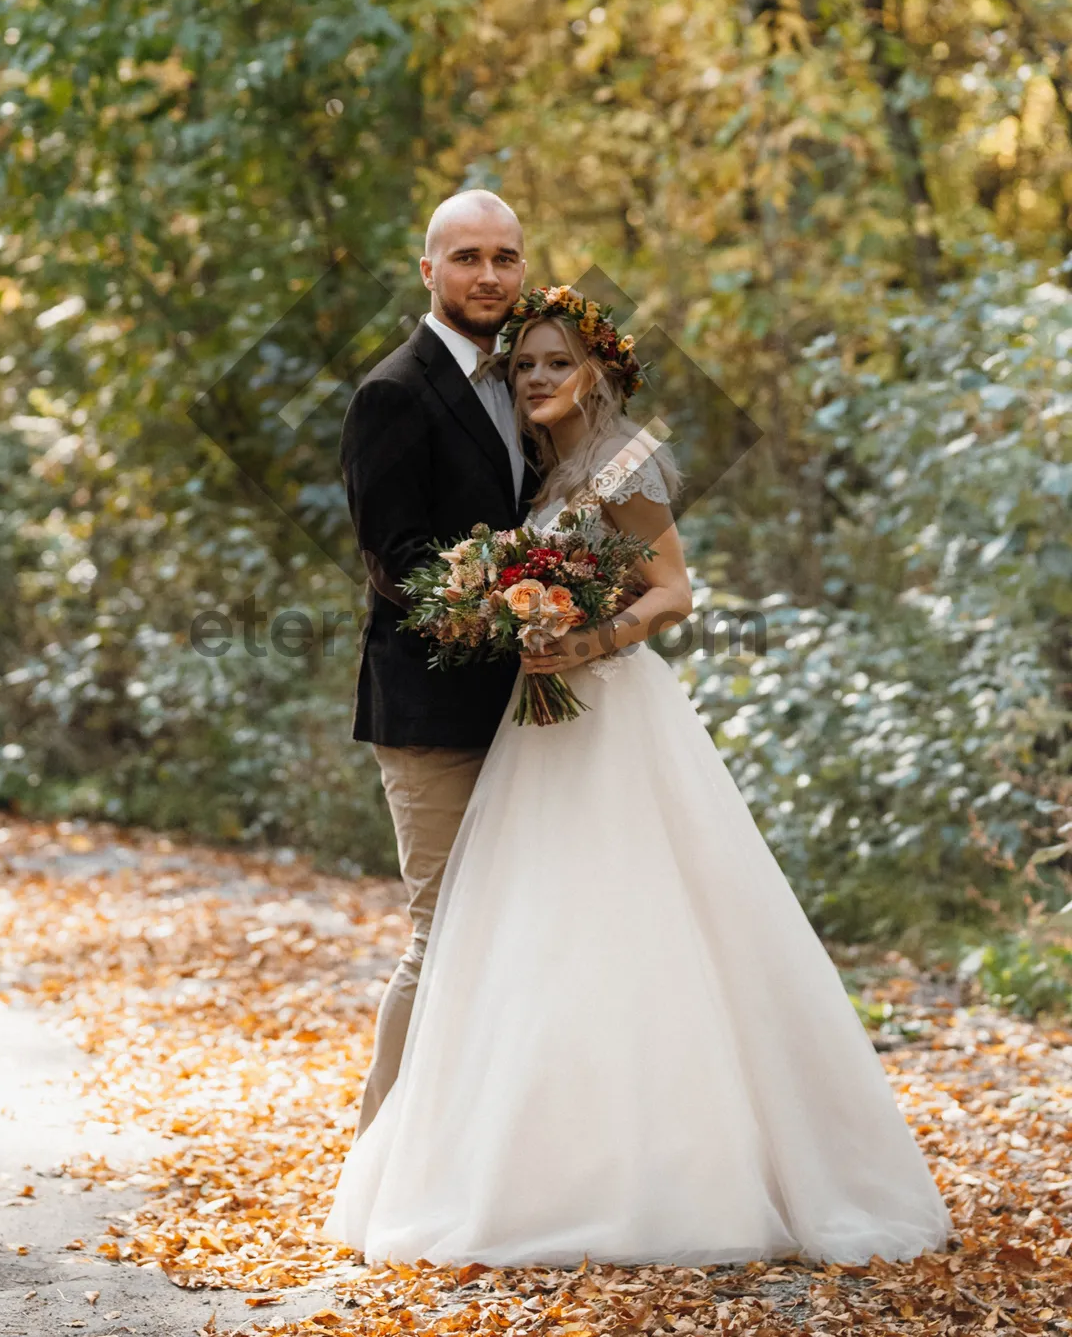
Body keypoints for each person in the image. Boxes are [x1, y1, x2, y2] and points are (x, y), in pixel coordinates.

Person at [324, 285, 954, 1267]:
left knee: (640, 922)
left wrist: (589, 641)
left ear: (598, 370)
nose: (536, 376)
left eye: (555, 362)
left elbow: (673, 589)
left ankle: (671, 1168)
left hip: (616, 709)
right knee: (543, 933)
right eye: (524, 363)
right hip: (542, 728)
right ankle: (543, 1160)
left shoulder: (627, 460)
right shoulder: (544, 464)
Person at [338, 190, 540, 1136]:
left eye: (505, 257)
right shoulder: (393, 393)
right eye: (468, 258)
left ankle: (490, 1152)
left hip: (535, 708)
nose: (488, 275)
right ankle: (380, 1160)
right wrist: (518, 607)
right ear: (429, 271)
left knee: (519, 937)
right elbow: (397, 563)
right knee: (444, 934)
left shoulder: (534, 383)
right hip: (432, 715)